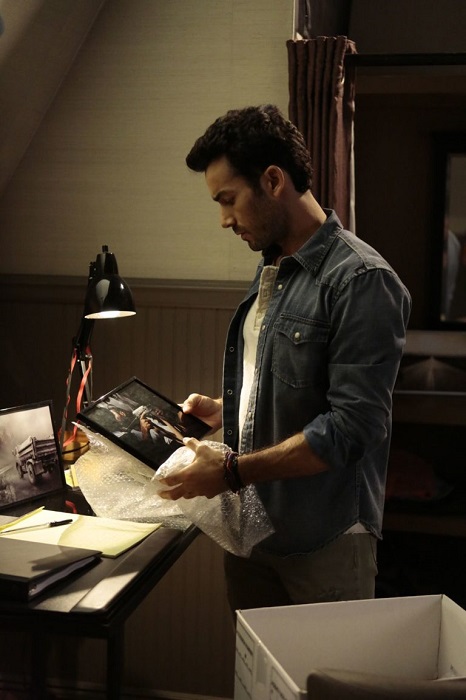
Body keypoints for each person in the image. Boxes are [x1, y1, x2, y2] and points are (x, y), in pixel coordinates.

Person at [159, 105, 412, 612]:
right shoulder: (274, 266)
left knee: (324, 667)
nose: (224, 220)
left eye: (228, 200)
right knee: (253, 666)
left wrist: (230, 471)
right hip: (254, 533)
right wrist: (227, 410)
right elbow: (293, 382)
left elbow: (352, 427)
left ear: (273, 181)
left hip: (325, 541)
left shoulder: (361, 280)